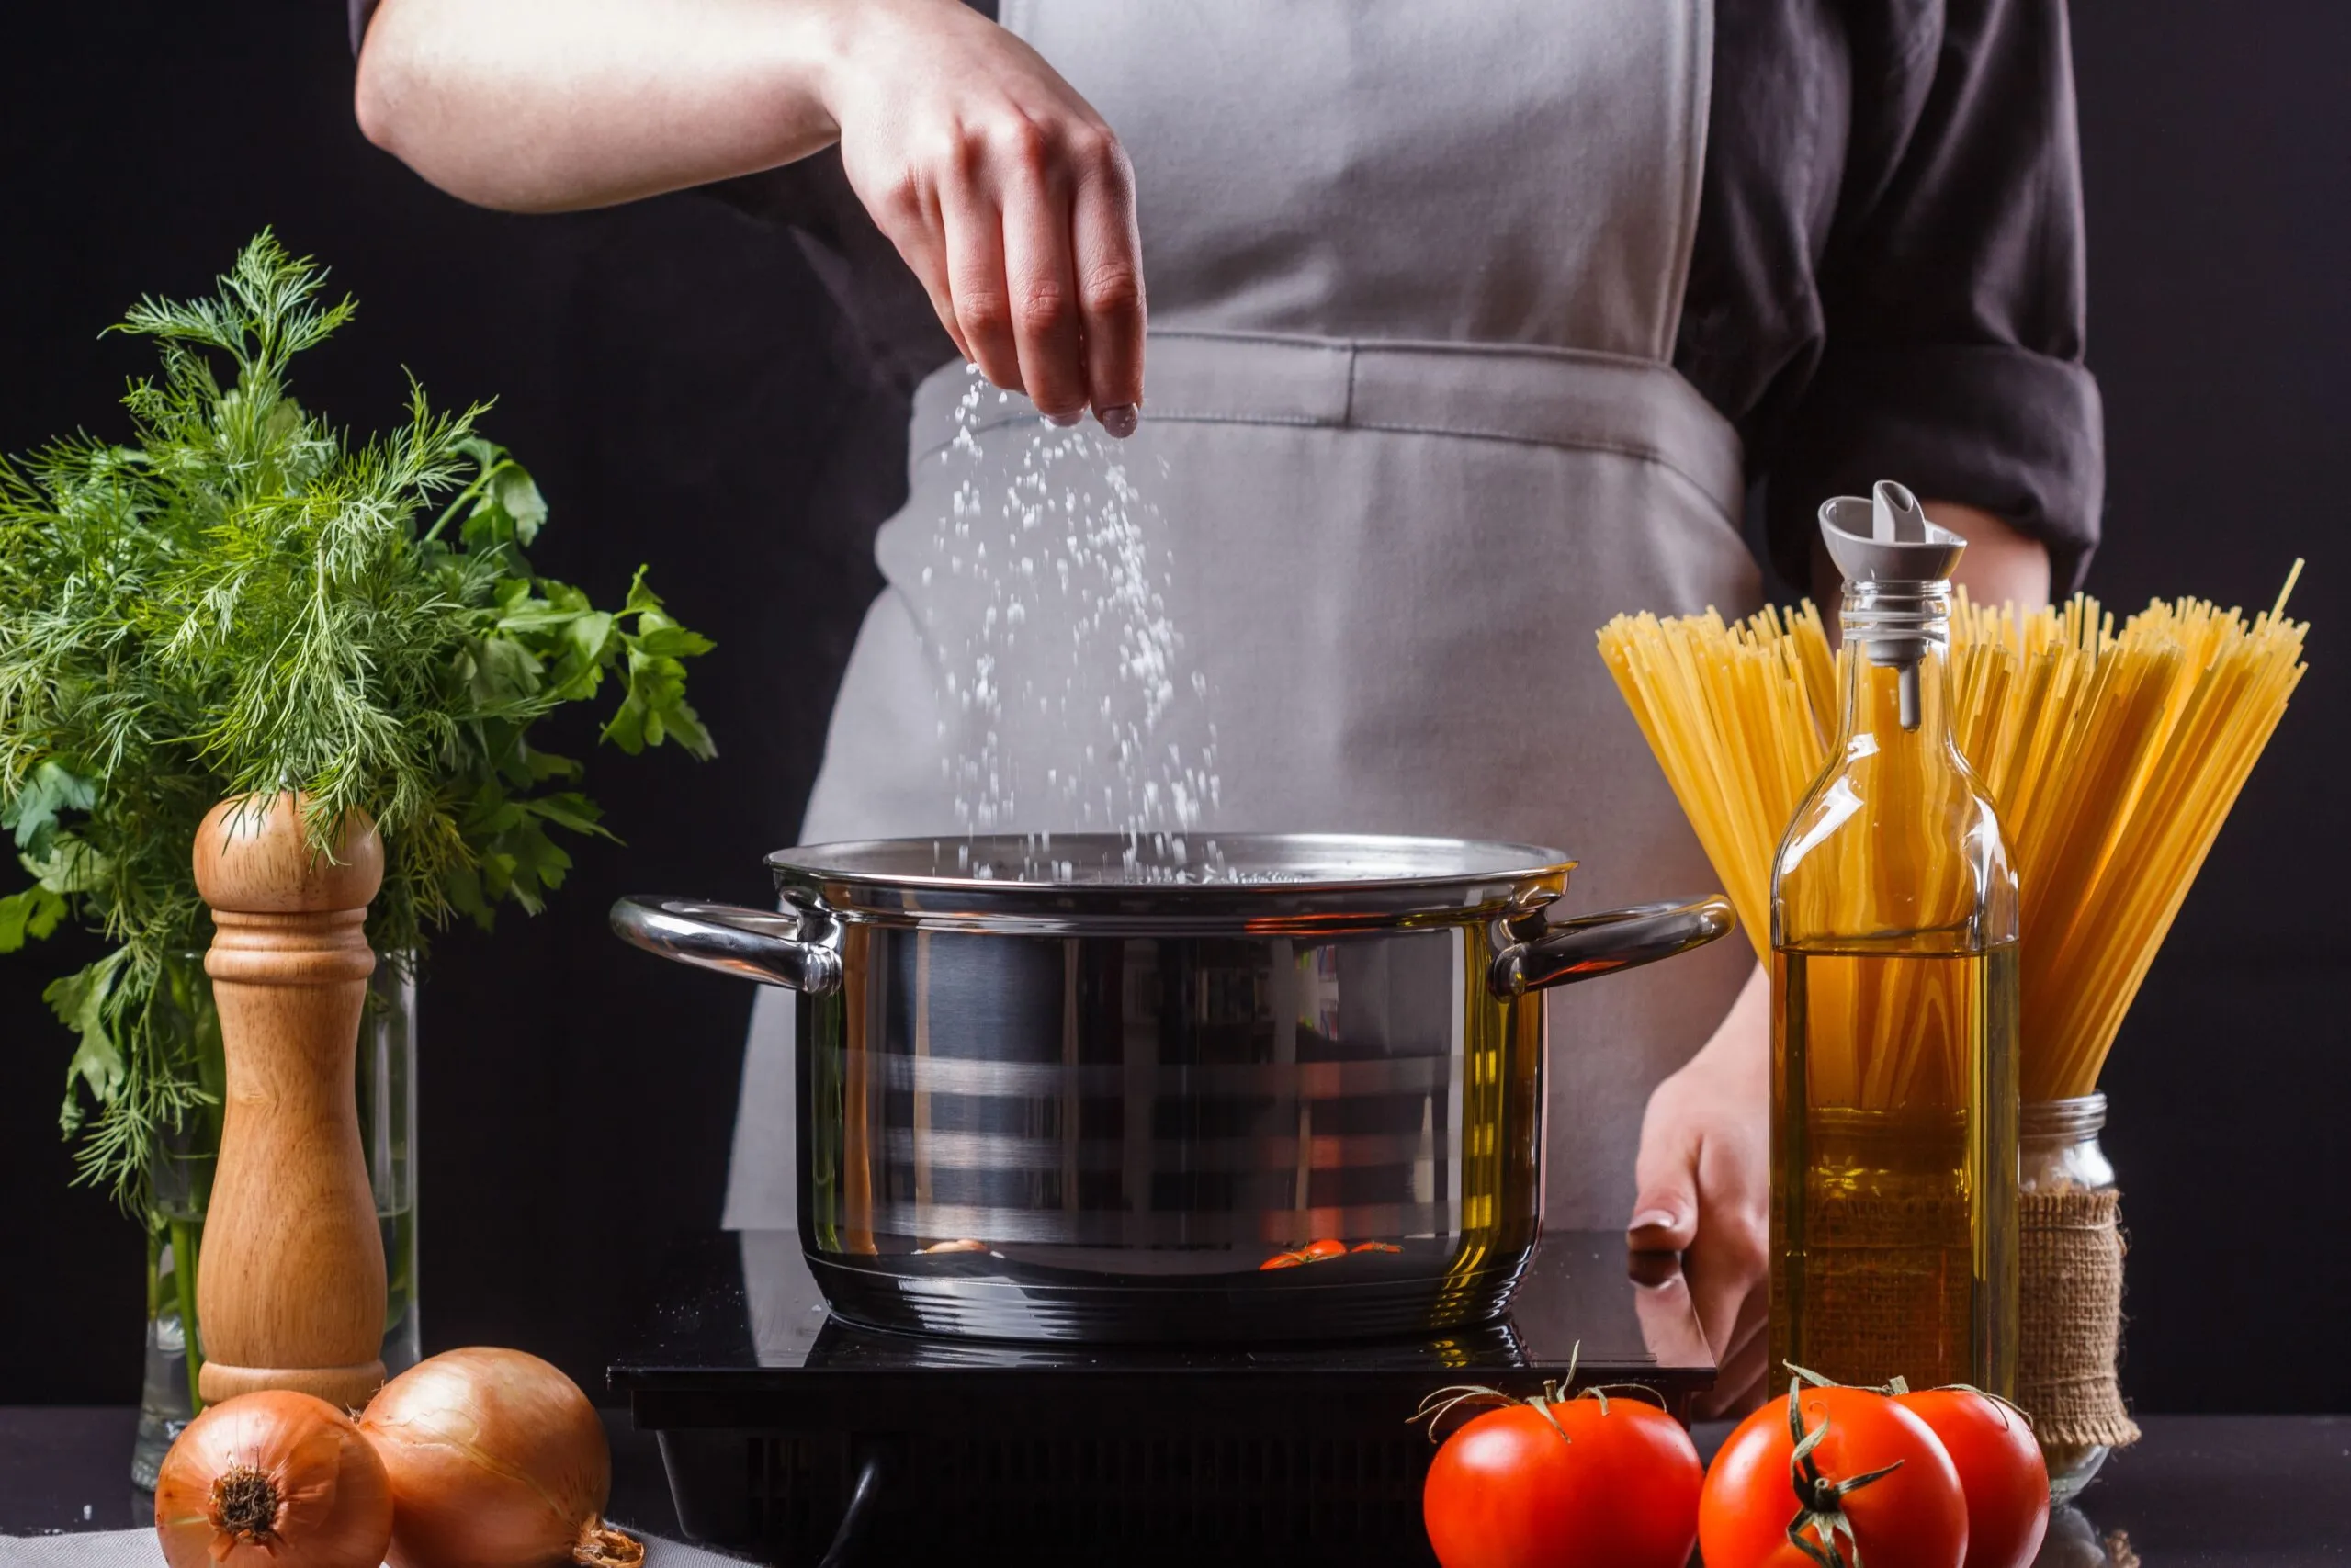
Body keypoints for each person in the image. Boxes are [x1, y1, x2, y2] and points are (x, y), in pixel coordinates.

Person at [351, 0, 2098, 1413]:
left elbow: (1955, 498)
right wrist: (851, 38)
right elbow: (428, 55)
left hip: (1625, 1019)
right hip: (967, 1052)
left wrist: (1805, 1031)